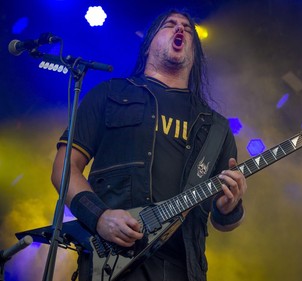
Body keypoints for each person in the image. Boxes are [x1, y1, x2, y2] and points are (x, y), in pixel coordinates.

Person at [51, 8, 248, 281]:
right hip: (113, 264)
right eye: (169, 25)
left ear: (195, 54)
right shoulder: (109, 95)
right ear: (148, 45)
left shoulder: (216, 128)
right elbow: (64, 169)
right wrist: (100, 217)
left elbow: (224, 222)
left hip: (183, 270)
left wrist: (230, 205)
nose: (180, 29)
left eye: (187, 29)